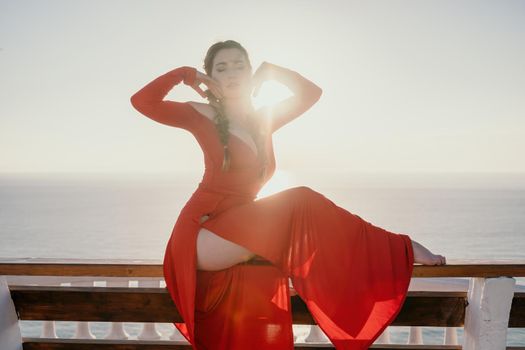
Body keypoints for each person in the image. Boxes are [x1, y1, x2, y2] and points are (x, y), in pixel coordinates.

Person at [130, 39, 446, 350]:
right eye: (221, 68)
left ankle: (371, 265)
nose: (232, 73)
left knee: (293, 231)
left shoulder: (263, 120)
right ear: (211, 77)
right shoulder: (198, 113)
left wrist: (274, 72)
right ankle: (399, 248)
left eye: (240, 65)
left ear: (251, 73)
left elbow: (311, 94)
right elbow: (142, 102)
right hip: (201, 233)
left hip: (238, 229)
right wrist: (186, 75)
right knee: (299, 200)